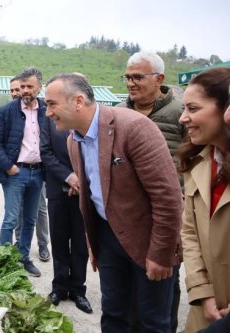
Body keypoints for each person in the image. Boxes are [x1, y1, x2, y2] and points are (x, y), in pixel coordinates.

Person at [45, 73, 182, 332]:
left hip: (147, 239)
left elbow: (168, 198)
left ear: (78, 101)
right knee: (114, 315)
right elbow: (91, 196)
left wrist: (161, 253)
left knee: (151, 322)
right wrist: (96, 245)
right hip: (108, 239)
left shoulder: (134, 127)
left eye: (52, 104)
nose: (48, 113)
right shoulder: (74, 141)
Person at [119, 51, 185, 333]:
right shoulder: (121, 113)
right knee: (132, 285)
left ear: (159, 78)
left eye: (137, 77)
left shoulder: (181, 113)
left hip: (169, 210)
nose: (131, 83)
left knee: (165, 281)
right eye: (127, 77)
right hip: (131, 214)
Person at [177, 67, 230, 333]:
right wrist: (202, 292)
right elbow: (189, 232)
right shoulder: (196, 163)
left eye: (193, 109)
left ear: (226, 110)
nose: (183, 117)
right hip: (206, 310)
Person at [0, 67, 46, 277]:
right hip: (16, 173)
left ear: (39, 87)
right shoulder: (7, 111)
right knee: (11, 218)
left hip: (38, 172)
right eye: (22, 86)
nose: (25, 90)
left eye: (29, 86)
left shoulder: (46, 111)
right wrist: (9, 166)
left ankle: (23, 258)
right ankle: (4, 261)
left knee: (30, 219)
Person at [40, 114, 92, 314]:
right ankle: (59, 287)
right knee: (59, 240)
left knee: (81, 242)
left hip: (85, 190)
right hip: (57, 189)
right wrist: (69, 177)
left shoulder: (90, 117)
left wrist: (81, 181)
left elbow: (96, 153)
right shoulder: (50, 119)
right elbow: (45, 152)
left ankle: (78, 289)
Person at [9, 75, 51, 263]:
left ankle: (43, 243)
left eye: (18, 89)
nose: (16, 93)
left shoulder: (44, 110)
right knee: (18, 210)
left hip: (39, 169)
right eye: (13, 90)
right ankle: (20, 242)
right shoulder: (12, 112)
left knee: (40, 209)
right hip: (19, 170)